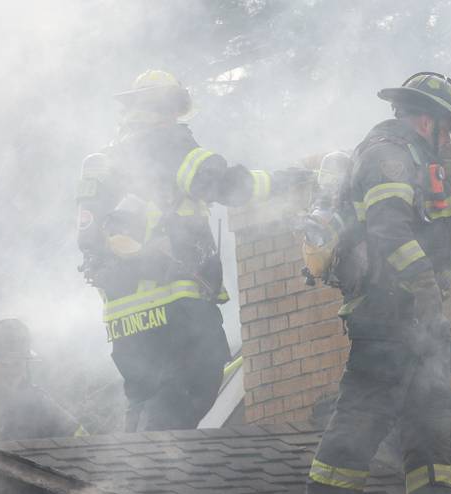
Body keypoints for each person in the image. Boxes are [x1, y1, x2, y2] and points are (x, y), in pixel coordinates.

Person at [299, 72, 451, 494]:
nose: (446, 140)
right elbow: (390, 233)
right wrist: (426, 291)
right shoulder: (390, 155)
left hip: (414, 315)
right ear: (426, 120)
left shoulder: (411, 156)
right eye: (445, 129)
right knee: (366, 410)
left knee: (432, 412)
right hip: (388, 313)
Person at [77, 69, 307, 432]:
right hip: (174, 303)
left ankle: (132, 478)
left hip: (123, 318)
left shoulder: (108, 159)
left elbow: (89, 238)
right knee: (193, 381)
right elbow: (226, 186)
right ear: (170, 106)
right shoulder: (167, 143)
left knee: (145, 397)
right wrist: (284, 181)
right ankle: (155, 469)